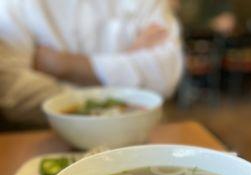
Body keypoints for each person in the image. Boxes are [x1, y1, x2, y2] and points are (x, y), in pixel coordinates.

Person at [0, 0, 183, 125]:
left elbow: (166, 75)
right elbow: (16, 92)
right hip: (48, 136)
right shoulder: (14, 4)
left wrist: (62, 65)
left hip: (143, 131)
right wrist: (125, 66)